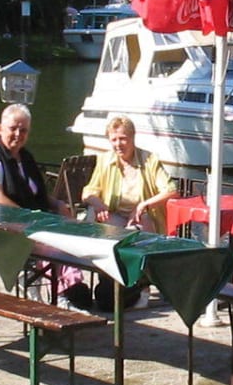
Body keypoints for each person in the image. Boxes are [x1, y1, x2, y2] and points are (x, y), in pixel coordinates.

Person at [61, 114, 179, 311]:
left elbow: (171, 189)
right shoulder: (106, 160)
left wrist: (144, 204)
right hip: (115, 214)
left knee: (136, 235)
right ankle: (108, 279)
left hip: (142, 216)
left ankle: (142, 287)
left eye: (123, 138)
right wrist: (98, 204)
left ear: (132, 138)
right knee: (99, 228)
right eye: (114, 139)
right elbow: (88, 191)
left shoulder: (149, 160)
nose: (118, 144)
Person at [0, 104, 72, 304]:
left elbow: (36, 192)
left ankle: (66, 290)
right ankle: (51, 296)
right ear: (0, 128)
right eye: (13, 128)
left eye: (23, 130)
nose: (18, 134)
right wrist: (31, 218)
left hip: (29, 219)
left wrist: (58, 204)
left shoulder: (25, 157)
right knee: (53, 242)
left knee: (69, 232)